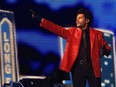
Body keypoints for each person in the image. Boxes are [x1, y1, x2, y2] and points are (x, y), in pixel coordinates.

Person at [30, 8, 111, 87]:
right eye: (76, 18)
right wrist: (40, 19)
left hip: (92, 68)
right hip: (78, 68)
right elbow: (56, 29)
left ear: (87, 21)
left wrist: (105, 50)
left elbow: (107, 47)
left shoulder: (97, 34)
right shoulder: (72, 32)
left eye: (80, 18)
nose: (77, 20)